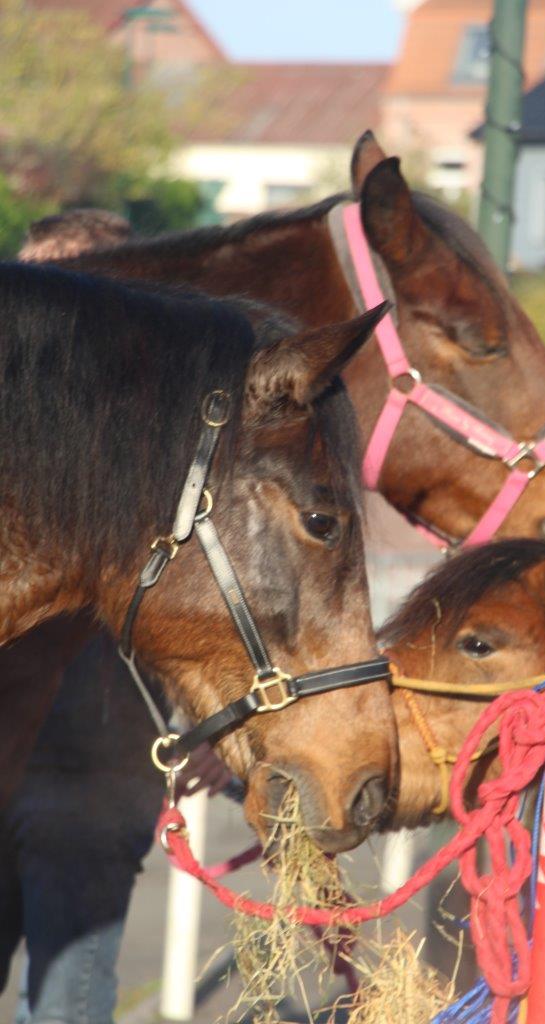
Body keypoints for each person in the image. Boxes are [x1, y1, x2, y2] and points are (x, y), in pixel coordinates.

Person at [0, 212, 233, 1024]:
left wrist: (220, 730)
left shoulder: (166, 442)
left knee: (65, 1007)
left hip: (89, 780)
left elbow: (226, 591)